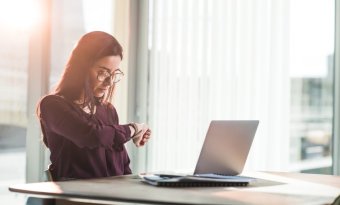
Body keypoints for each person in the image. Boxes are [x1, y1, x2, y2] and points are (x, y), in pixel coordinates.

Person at [36, 31, 151, 181]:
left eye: (114, 74)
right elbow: (92, 136)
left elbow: (123, 166)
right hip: (75, 200)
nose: (109, 83)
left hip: (111, 197)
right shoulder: (52, 106)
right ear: (81, 68)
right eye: (103, 72)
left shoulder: (108, 110)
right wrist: (134, 129)